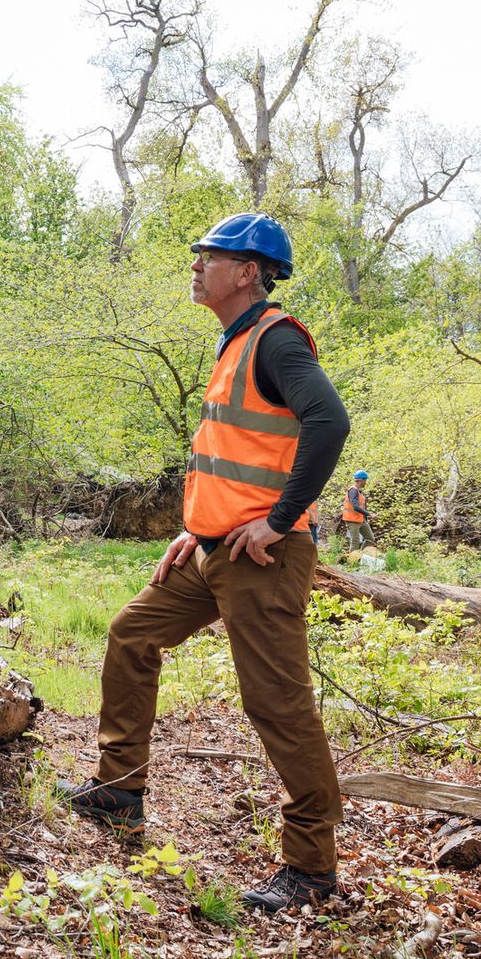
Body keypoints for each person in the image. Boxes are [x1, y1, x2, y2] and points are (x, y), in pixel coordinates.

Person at [60, 212, 352, 914]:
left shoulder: (276, 340)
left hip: (264, 558)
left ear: (248, 271)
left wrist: (280, 521)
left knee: (275, 703)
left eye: (209, 256)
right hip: (214, 549)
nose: (196, 265)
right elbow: (238, 459)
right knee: (133, 632)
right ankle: (119, 790)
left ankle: (311, 868)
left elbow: (330, 421)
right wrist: (199, 528)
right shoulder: (235, 344)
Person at [343, 471, 373, 550]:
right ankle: (352, 561)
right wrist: (369, 514)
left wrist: (366, 517)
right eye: (365, 480)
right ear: (361, 480)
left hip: (361, 519)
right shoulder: (353, 491)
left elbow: (362, 507)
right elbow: (355, 507)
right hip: (352, 520)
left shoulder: (359, 491)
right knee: (355, 541)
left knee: (370, 539)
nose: (366, 482)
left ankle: (359, 556)